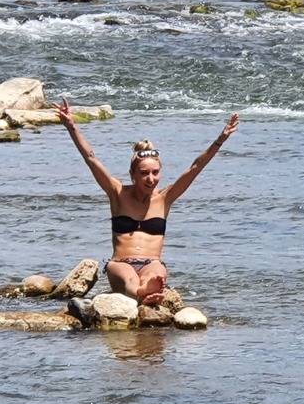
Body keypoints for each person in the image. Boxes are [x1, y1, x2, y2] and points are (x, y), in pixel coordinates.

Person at [51, 97, 239, 305]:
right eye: (144, 173)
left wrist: (220, 139)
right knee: (130, 277)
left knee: (156, 274)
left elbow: (196, 167)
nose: (151, 179)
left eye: (155, 173)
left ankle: (148, 290)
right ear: (133, 174)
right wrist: (72, 128)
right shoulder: (117, 193)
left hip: (151, 261)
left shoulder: (166, 197)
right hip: (120, 263)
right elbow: (91, 158)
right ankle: (142, 293)